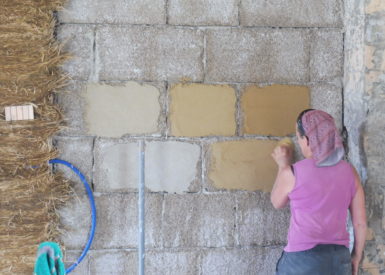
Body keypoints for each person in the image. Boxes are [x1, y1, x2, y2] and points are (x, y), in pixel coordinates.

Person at [271, 109, 367, 275]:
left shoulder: (293, 172)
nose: (299, 142)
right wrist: (356, 256)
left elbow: (276, 202)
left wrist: (282, 165)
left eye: (298, 136)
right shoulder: (350, 172)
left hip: (301, 260)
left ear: (308, 140)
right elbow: (360, 223)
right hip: (339, 259)